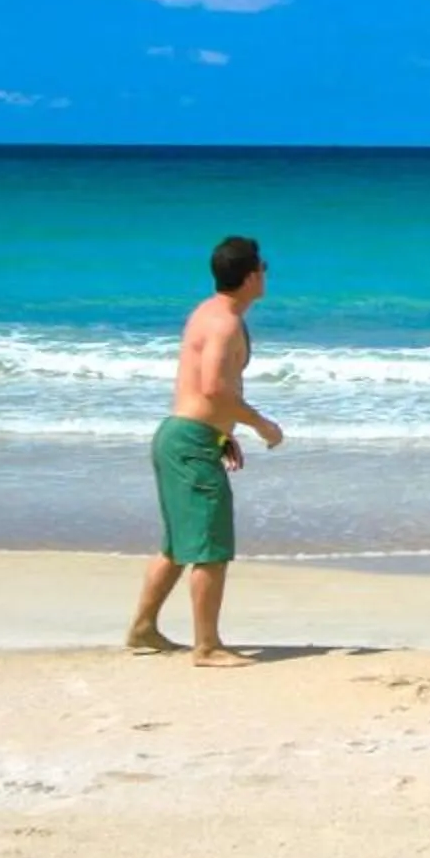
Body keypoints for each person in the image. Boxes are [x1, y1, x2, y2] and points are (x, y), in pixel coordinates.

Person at [126, 235, 284, 666]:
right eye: (263, 267)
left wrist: (222, 435)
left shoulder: (211, 312)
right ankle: (207, 646)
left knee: (179, 545)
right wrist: (261, 424)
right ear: (250, 277)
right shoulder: (224, 323)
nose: (266, 273)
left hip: (185, 437)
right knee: (211, 546)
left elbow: (206, 389)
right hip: (189, 442)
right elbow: (213, 387)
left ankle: (143, 628)